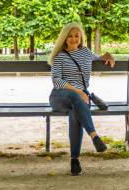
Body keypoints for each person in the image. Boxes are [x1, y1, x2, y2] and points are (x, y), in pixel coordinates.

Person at [48, 22, 115, 175]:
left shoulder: (85, 52)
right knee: (74, 97)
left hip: (80, 99)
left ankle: (74, 160)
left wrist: (107, 55)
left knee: (75, 113)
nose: (73, 39)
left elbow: (99, 57)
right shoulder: (59, 56)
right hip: (60, 95)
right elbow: (56, 81)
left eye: (76, 36)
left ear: (81, 38)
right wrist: (78, 90)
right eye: (70, 36)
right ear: (65, 38)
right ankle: (94, 136)